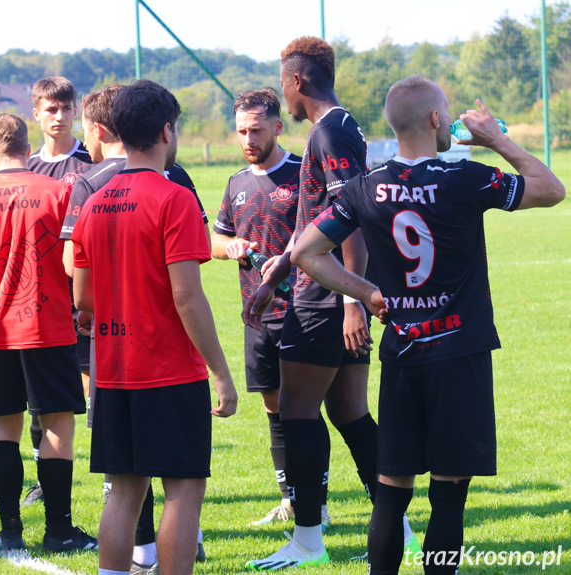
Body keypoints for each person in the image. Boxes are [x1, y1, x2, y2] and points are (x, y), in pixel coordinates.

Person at [284, 77, 564, 575]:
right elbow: (551, 189)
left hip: (403, 354)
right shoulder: (466, 179)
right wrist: (495, 139)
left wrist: (365, 293)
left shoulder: (364, 188)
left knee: (392, 494)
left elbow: (306, 253)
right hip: (460, 355)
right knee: (449, 497)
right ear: (437, 120)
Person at [243, 37, 414, 570]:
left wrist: (351, 302)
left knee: (296, 411)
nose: (284, 99)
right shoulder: (338, 126)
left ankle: (308, 539)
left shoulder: (331, 129)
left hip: (326, 296)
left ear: (296, 81)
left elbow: (353, 218)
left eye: (283, 84)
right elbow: (324, 217)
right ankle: (399, 522)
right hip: (323, 286)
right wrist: (284, 266)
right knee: (348, 410)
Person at [71, 79, 238, 575]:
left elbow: (82, 300)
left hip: (112, 370)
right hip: (168, 370)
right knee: (183, 491)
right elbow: (186, 295)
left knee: (123, 492)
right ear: (167, 131)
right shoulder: (175, 198)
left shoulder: (94, 203)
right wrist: (222, 373)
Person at [0, 113, 97, 553]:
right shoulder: (59, 191)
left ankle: (10, 531)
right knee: (56, 428)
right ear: (27, 147)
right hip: (51, 328)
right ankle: (58, 531)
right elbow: (78, 261)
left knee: (4, 428)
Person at [210, 88, 301, 527]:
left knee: (314, 411)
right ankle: (291, 500)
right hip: (258, 317)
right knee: (275, 410)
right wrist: (230, 248)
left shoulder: (305, 174)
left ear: (278, 127)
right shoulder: (236, 184)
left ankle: (316, 502)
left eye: (257, 130)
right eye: (242, 131)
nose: (248, 139)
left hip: (306, 311)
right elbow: (214, 241)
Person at [22, 76, 94, 508]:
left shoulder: (91, 160)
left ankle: (112, 479)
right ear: (36, 113)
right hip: (42, 296)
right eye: (51, 109)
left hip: (86, 292)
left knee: (94, 387)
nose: (60, 116)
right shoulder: (26, 166)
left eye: (67, 108)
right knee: (39, 395)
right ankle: (42, 477)